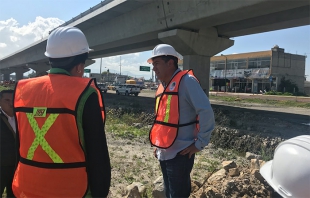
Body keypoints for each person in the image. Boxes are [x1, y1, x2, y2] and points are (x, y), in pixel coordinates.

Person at [12, 26, 111, 197]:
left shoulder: (23, 90)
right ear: (79, 67)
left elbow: (19, 144)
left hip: (26, 189)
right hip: (71, 191)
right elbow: (98, 155)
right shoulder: (85, 93)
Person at [147, 44, 215, 198]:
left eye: (156, 64)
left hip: (180, 153)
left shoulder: (187, 81)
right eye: (153, 65)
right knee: (169, 193)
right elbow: (164, 119)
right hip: (165, 151)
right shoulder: (163, 86)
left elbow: (206, 112)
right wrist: (159, 145)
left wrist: (200, 143)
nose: (154, 69)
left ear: (170, 63)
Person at [0, 90, 16, 198]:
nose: (10, 103)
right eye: (7, 100)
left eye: (13, 100)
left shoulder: (21, 118)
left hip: (16, 165)